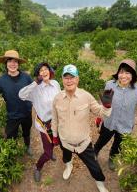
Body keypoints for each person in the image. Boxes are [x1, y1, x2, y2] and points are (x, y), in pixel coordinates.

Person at [51, 64, 113, 192]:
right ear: (62, 80)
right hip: (65, 141)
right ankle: (68, 166)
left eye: (72, 77)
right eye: (66, 77)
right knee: (66, 157)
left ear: (77, 79)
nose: (69, 80)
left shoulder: (86, 96)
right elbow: (55, 120)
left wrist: (106, 106)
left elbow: (101, 112)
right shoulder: (57, 99)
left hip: (83, 143)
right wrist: (55, 136)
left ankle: (100, 184)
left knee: (94, 166)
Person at [94, 59, 137, 170]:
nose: (124, 76)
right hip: (109, 121)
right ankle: (94, 153)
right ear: (118, 73)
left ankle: (112, 158)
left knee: (118, 145)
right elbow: (105, 103)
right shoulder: (110, 84)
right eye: (121, 72)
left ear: (133, 75)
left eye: (127, 73)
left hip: (125, 125)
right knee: (101, 140)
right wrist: (100, 117)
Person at [19, 62, 61, 182]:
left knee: (55, 142)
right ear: (38, 75)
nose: (44, 72)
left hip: (57, 122)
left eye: (46, 69)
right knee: (47, 153)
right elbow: (21, 95)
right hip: (45, 125)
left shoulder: (56, 84)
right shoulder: (35, 89)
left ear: (50, 71)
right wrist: (35, 83)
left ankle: (52, 150)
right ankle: (38, 168)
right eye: (41, 70)